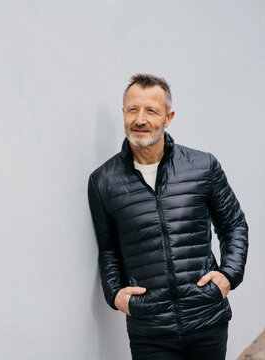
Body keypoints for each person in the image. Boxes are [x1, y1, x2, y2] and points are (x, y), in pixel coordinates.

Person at [87, 74, 249, 360]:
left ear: (168, 117)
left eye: (151, 110)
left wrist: (228, 275)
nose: (140, 119)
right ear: (123, 112)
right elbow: (108, 247)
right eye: (133, 109)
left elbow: (234, 224)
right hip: (149, 328)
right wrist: (115, 295)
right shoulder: (103, 181)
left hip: (206, 317)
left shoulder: (202, 166)